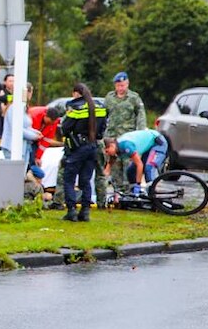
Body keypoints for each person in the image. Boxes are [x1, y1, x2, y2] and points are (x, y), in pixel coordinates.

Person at [59, 83, 108, 222]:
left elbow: (65, 128)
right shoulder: (100, 106)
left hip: (77, 147)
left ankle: (72, 211)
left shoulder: (75, 107)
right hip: (93, 146)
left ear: (76, 93)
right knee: (86, 180)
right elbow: (102, 128)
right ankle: (85, 211)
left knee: (69, 179)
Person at [103, 71, 147, 194]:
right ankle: (118, 192)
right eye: (118, 85)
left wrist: (140, 133)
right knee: (115, 167)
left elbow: (141, 116)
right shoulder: (109, 98)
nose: (120, 88)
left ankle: (129, 192)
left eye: (122, 85)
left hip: (128, 138)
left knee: (128, 166)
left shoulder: (134, 98)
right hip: (112, 138)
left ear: (127, 84)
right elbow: (103, 115)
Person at [103, 129, 168, 193]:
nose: (107, 154)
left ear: (112, 145)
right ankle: (134, 192)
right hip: (148, 148)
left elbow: (139, 165)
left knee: (149, 168)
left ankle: (152, 192)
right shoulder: (115, 148)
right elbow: (108, 167)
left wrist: (138, 184)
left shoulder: (126, 145)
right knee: (131, 171)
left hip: (157, 143)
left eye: (107, 151)